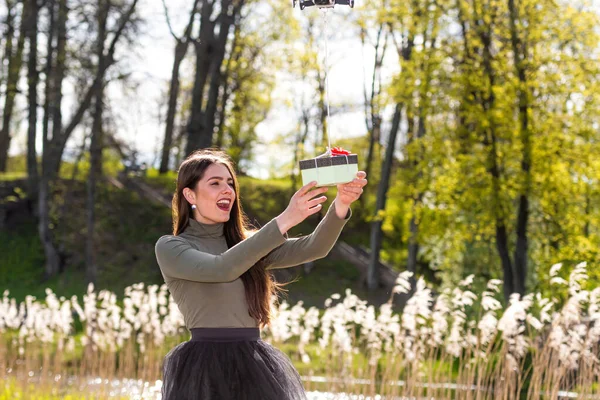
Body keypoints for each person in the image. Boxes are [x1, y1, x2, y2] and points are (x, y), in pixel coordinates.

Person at [154, 148, 367, 400]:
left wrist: (341, 203)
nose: (227, 190)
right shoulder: (171, 247)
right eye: (215, 183)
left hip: (254, 365)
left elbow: (315, 247)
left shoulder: (248, 245)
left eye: (230, 183)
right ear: (190, 194)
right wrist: (285, 220)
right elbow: (221, 268)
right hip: (203, 369)